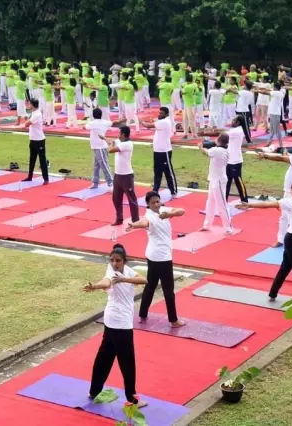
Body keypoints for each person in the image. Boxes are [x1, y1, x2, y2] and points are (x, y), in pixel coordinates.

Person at [237, 181, 292, 305]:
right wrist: (250, 205)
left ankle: (273, 293)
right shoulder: (288, 202)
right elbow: (268, 204)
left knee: (285, 268)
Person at [83, 244, 147, 407]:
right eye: (112, 260)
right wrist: (95, 286)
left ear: (124, 261)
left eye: (118, 260)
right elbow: (106, 282)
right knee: (127, 361)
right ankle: (132, 399)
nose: (114, 263)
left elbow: (144, 280)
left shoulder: (127, 272)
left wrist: (125, 279)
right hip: (120, 324)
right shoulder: (111, 273)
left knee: (105, 356)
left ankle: (94, 391)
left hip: (111, 321)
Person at [126, 191, 186, 327]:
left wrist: (169, 214)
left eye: (158, 201)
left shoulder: (164, 210)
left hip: (154, 255)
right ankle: (173, 320)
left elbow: (182, 211)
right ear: (148, 204)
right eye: (153, 203)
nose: (156, 204)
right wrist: (134, 225)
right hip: (161, 257)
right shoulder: (150, 216)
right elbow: (144, 223)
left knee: (151, 285)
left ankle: (142, 314)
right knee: (168, 289)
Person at [256, 137, 292, 248]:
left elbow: (281, 158)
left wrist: (266, 156)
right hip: (289, 191)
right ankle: (281, 240)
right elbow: (286, 158)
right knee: (284, 217)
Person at [101, 126, 140, 226]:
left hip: (126, 176)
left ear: (123, 134)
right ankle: (119, 218)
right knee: (116, 198)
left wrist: (109, 143)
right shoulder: (120, 141)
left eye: (119, 133)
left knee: (131, 199)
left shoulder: (127, 144)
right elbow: (112, 141)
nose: (118, 134)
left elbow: (110, 150)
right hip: (118, 175)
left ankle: (136, 220)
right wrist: (104, 138)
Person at [198, 133, 233, 234]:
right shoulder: (222, 149)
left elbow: (206, 152)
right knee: (210, 202)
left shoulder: (217, 151)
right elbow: (212, 146)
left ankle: (228, 228)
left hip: (218, 181)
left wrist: (201, 147)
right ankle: (207, 224)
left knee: (221, 204)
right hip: (215, 179)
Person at [141, 107, 177, 195]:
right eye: (159, 113)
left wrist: (140, 121)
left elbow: (147, 125)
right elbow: (156, 120)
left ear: (166, 114)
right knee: (157, 172)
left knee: (168, 172)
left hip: (164, 151)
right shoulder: (162, 121)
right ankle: (155, 191)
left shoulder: (165, 122)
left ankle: (174, 191)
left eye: (161, 113)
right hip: (157, 151)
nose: (159, 114)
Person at [84, 108, 115, 189]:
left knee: (104, 165)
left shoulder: (92, 123)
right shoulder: (104, 122)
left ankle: (111, 183)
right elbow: (113, 123)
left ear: (93, 115)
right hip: (97, 147)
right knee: (96, 165)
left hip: (100, 147)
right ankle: (95, 183)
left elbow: (85, 127)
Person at [22, 99, 49, 184]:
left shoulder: (37, 114)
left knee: (42, 160)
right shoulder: (34, 113)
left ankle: (46, 179)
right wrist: (26, 108)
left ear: (32, 105)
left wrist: (26, 119)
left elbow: (26, 124)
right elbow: (27, 121)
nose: (28, 105)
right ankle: (30, 176)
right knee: (32, 158)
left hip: (39, 140)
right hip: (33, 139)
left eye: (29, 104)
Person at [225, 116, 249, 202]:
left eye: (233, 120)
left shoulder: (237, 131)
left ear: (238, 122)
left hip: (236, 161)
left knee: (238, 181)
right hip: (229, 159)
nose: (232, 121)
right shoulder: (234, 130)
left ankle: (244, 200)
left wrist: (207, 132)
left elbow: (223, 133)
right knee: (227, 181)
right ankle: (224, 200)